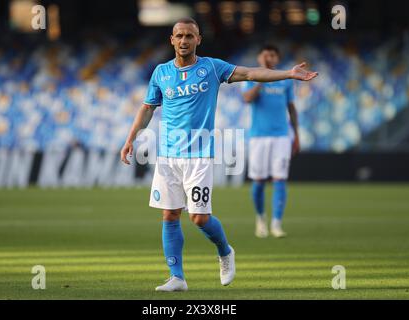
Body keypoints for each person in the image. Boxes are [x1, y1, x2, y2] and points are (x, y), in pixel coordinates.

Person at [121, 18, 317, 292]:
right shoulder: (161, 73)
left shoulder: (212, 68)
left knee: (199, 218)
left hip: (199, 154)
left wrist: (288, 74)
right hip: (167, 155)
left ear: (198, 39)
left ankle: (225, 252)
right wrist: (130, 139)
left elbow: (250, 74)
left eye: (190, 35)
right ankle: (176, 277)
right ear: (172, 40)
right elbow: (147, 109)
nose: (184, 40)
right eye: (179, 35)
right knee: (169, 214)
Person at [242, 44, 301, 238]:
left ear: (278, 58)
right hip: (258, 136)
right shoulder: (250, 76)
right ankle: (260, 218)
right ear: (260, 57)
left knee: (280, 179)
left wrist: (296, 135)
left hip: (282, 136)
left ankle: (276, 223)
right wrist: (261, 77)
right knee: (258, 181)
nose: (270, 58)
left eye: (273, 55)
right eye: (266, 55)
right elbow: (247, 99)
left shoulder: (285, 81)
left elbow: (291, 108)